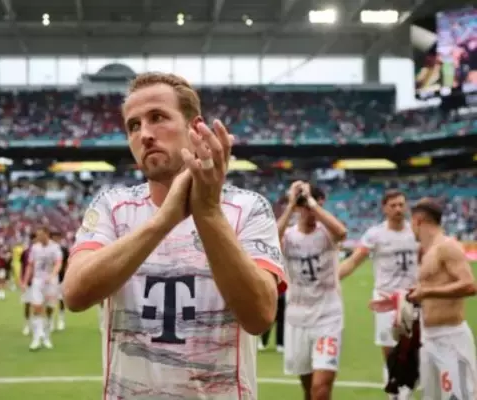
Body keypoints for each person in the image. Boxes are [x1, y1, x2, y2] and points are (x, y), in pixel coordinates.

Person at [63, 72, 287, 399]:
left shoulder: (248, 208)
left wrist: (208, 213)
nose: (145, 134)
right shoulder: (112, 206)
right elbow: (75, 294)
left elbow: (260, 316)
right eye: (134, 125)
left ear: (195, 128)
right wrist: (162, 221)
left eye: (158, 118)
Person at [373, 198, 477, 399]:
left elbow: (469, 285)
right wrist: (402, 298)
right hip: (428, 339)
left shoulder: (448, 246)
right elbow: (429, 290)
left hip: (451, 337)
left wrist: (426, 292)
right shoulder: (427, 252)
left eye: (411, 222)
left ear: (418, 220)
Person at [338, 190, 419, 398]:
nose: (398, 209)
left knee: (413, 349)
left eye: (401, 205)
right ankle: (394, 389)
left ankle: (405, 386)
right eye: (393, 205)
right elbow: (354, 261)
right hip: (386, 299)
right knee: (389, 350)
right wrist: (331, 279)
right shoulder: (375, 234)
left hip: (413, 299)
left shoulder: (416, 231)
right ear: (384, 208)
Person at [277, 181, 347, 400]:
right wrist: (291, 205)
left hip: (328, 317)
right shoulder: (289, 236)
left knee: (320, 388)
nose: (312, 212)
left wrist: (312, 203)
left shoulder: (326, 233)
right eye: (306, 207)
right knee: (308, 389)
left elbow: (342, 232)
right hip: (297, 318)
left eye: (317, 206)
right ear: (299, 208)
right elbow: (272, 240)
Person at [23, 226, 62, 350]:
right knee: (37, 307)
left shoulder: (55, 247)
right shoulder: (35, 248)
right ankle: (36, 339)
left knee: (49, 309)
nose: (38, 237)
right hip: (38, 281)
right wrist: (25, 281)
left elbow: (58, 263)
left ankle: (46, 336)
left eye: (40, 235)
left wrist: (53, 275)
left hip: (51, 281)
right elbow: (30, 265)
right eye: (37, 235)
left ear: (47, 234)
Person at [50, 231, 69, 331]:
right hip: (50, 278)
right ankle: (51, 321)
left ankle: (61, 320)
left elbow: (67, 264)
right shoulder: (48, 249)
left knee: (61, 299)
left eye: (57, 238)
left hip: (61, 277)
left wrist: (66, 276)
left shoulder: (64, 250)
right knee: (51, 300)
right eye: (54, 238)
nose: (56, 239)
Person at [20, 233, 35, 336]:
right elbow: (23, 267)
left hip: (39, 281)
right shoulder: (26, 252)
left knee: (38, 304)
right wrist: (22, 281)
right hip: (28, 282)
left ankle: (36, 325)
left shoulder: (42, 251)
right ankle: (27, 324)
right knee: (27, 304)